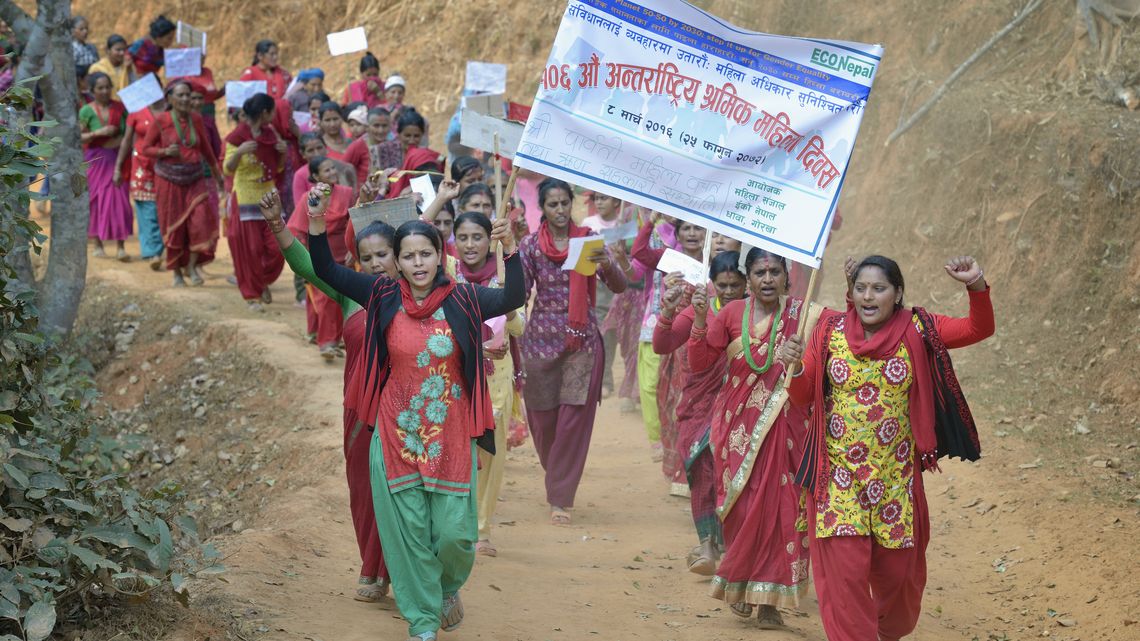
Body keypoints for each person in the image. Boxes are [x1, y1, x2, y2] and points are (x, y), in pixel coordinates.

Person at [307, 182, 524, 641]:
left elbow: (512, 298)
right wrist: (315, 219)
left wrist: (512, 247)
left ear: (439, 256)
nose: (418, 263)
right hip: (396, 437)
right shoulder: (383, 295)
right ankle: (422, 621)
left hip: (450, 436)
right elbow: (324, 267)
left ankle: (447, 587)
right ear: (398, 262)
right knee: (409, 536)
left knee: (454, 536)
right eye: (409, 256)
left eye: (426, 254)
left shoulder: (464, 298)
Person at [778, 255, 993, 641]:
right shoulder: (828, 330)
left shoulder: (919, 328)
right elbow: (801, 395)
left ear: (897, 293)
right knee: (844, 581)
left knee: (899, 586)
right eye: (860, 288)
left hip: (895, 480)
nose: (868, 296)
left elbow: (979, 328)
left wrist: (975, 284)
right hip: (837, 480)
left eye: (879, 288)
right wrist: (792, 369)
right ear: (851, 292)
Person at [258, 181, 397, 602]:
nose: (374, 264)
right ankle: (371, 569)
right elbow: (307, 266)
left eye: (383, 255)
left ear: (400, 254)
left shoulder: (420, 296)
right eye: (366, 257)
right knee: (364, 491)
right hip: (359, 412)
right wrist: (279, 224)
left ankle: (401, 570)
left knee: (400, 495)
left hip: (406, 413)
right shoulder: (350, 292)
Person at [685, 247, 821, 628]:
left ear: (785, 277)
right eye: (760, 272)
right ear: (748, 277)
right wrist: (699, 317)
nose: (767, 279)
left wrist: (802, 354)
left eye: (774, 272)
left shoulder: (803, 313)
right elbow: (699, 362)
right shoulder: (731, 314)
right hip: (737, 426)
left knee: (783, 506)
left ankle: (769, 605)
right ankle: (741, 583)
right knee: (743, 507)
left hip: (787, 424)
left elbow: (835, 339)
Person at [519, 178, 628, 525]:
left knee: (573, 419)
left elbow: (619, 285)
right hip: (539, 342)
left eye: (565, 203)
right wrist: (504, 254)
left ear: (573, 204)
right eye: (552, 205)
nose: (560, 211)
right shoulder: (530, 245)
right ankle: (557, 474)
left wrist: (608, 263)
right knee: (543, 419)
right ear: (543, 208)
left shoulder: (588, 241)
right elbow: (519, 292)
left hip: (581, 341)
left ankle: (560, 498)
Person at [653, 251, 745, 575]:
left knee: (738, 474)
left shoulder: (755, 314)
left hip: (743, 405)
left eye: (736, 284)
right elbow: (662, 345)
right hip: (700, 405)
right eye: (723, 284)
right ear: (712, 283)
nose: (730, 291)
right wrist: (666, 310)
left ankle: (735, 549)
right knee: (704, 469)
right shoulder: (697, 311)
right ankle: (707, 543)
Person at [449, 211, 526, 557]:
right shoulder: (446, 274)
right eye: (462, 237)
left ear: (489, 239)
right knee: (455, 451)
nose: (469, 245)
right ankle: (454, 524)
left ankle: (481, 530)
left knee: (490, 456)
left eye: (477, 237)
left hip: (495, 379)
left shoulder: (506, 273)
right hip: (455, 376)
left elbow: (520, 327)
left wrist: (507, 305)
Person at [632, 215, 706, 492]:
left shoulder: (715, 260)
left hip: (707, 347)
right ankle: (679, 474)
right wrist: (650, 221)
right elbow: (639, 252)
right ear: (678, 233)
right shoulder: (670, 259)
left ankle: (699, 473)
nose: (692, 233)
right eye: (686, 228)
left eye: (697, 227)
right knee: (675, 405)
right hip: (676, 347)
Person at [140, 79, 223, 287]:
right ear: (170, 98)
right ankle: (176, 272)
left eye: (188, 94)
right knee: (174, 227)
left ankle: (192, 267)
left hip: (195, 178)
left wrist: (218, 176)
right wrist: (164, 152)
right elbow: (145, 148)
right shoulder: (161, 120)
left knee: (199, 223)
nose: (186, 99)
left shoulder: (196, 119)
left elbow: (206, 149)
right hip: (168, 181)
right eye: (181, 95)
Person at [288, 156, 354, 359]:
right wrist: (305, 258)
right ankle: (327, 343)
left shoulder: (347, 193)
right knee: (325, 297)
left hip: (344, 253)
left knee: (344, 297)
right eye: (327, 171)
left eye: (333, 168)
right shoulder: (310, 197)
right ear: (316, 176)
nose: (333, 173)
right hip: (320, 253)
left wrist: (354, 247)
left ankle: (342, 338)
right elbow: (297, 228)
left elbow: (354, 221)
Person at [224, 93, 286, 312]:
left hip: (269, 196)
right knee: (250, 249)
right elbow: (227, 169)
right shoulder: (237, 136)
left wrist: (283, 153)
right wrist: (239, 152)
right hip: (245, 198)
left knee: (278, 246)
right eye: (272, 111)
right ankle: (253, 295)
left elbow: (277, 168)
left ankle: (262, 281)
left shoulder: (271, 134)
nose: (275, 115)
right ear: (264, 113)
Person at [80, 72, 133, 261]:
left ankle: (121, 246)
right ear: (92, 91)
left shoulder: (120, 108)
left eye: (107, 87)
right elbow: (79, 137)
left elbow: (129, 134)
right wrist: (98, 133)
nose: (104, 91)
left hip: (117, 158)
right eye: (100, 88)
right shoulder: (86, 111)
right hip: (95, 160)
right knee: (95, 201)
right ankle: (98, 244)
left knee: (120, 200)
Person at [115, 90, 165, 269]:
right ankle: (152, 252)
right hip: (141, 166)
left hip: (164, 165)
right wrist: (118, 167)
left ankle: (158, 247)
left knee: (163, 209)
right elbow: (126, 140)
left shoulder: (169, 111)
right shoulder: (136, 112)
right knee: (146, 209)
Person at [343, 107, 391, 188]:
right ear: (367, 127)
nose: (381, 130)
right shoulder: (358, 145)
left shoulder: (392, 145)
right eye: (376, 126)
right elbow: (344, 170)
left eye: (384, 126)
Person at [374, 107, 425, 171]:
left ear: (422, 135)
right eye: (407, 136)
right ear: (398, 134)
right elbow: (374, 177)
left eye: (416, 136)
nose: (412, 140)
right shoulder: (383, 150)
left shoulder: (424, 155)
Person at [90, 35, 135, 103]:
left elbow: (135, 85)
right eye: (118, 50)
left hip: (126, 107)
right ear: (108, 50)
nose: (122, 53)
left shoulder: (128, 65)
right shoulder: (97, 68)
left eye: (124, 50)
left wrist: (128, 69)